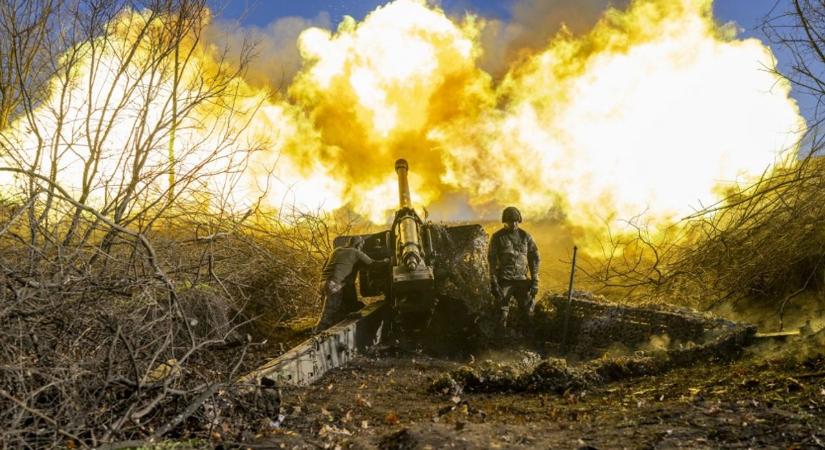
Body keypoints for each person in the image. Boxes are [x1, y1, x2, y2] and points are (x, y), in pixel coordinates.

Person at [315, 236, 387, 331]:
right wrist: (386, 261)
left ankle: (327, 327)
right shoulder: (356, 252)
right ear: (358, 245)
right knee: (328, 315)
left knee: (340, 311)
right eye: (361, 245)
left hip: (322, 283)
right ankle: (316, 334)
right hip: (334, 285)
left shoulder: (337, 250)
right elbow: (373, 264)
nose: (361, 247)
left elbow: (326, 266)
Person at [488, 206, 540, 330]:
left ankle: (526, 341)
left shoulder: (526, 236)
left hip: (522, 280)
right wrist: (494, 282)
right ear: (505, 221)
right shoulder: (497, 237)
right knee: (501, 312)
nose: (513, 224)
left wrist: (535, 281)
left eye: (516, 221)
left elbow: (534, 258)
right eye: (510, 221)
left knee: (528, 311)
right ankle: (499, 342)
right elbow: (492, 261)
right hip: (504, 280)